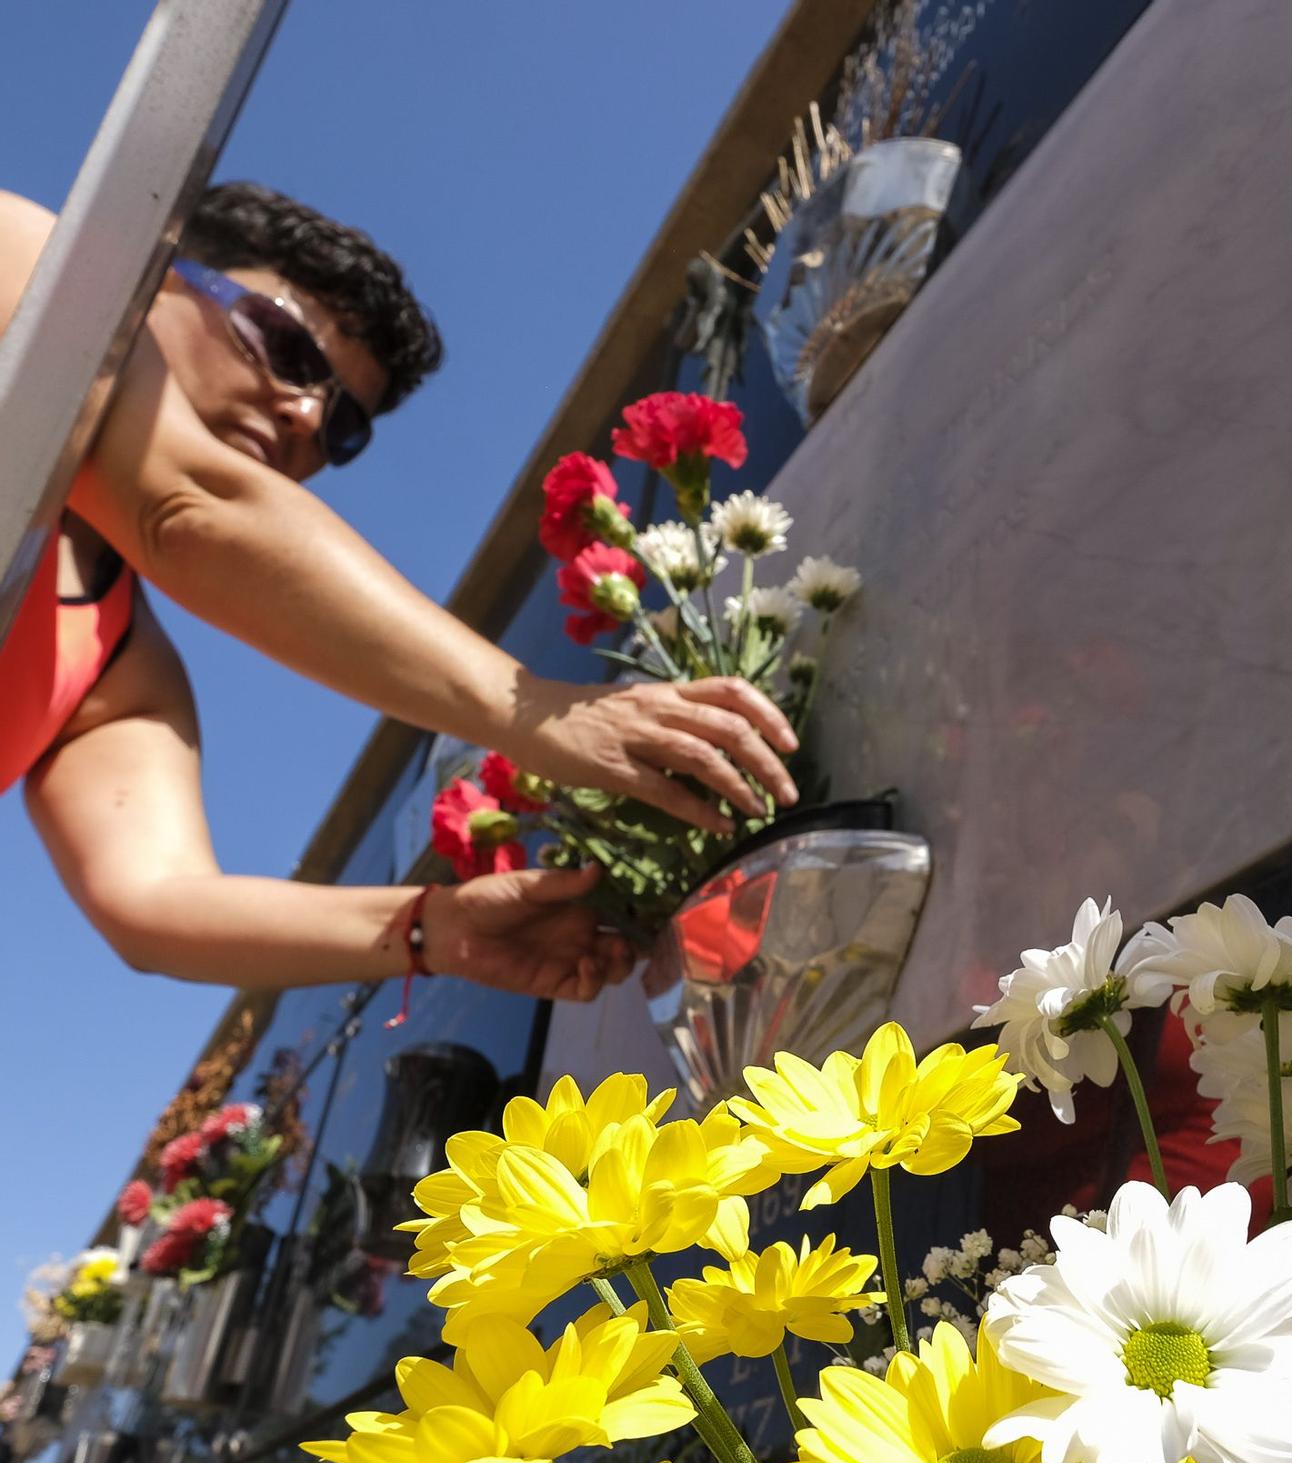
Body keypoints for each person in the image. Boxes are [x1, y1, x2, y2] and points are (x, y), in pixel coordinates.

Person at [0, 182, 800, 1004]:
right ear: (160, 274)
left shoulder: (113, 670)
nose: (307, 414)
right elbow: (185, 508)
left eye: (344, 423)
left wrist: (434, 928)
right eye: (285, 347)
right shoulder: (21, 260)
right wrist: (540, 712)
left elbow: (156, 905)